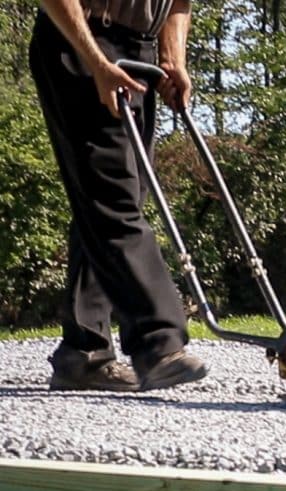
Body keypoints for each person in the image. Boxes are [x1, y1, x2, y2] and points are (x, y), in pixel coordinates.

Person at [30, 0, 207, 392]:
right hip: (81, 40)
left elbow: (179, 2)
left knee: (111, 199)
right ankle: (159, 344)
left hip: (140, 52)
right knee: (114, 202)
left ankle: (83, 352)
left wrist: (172, 57)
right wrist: (94, 62)